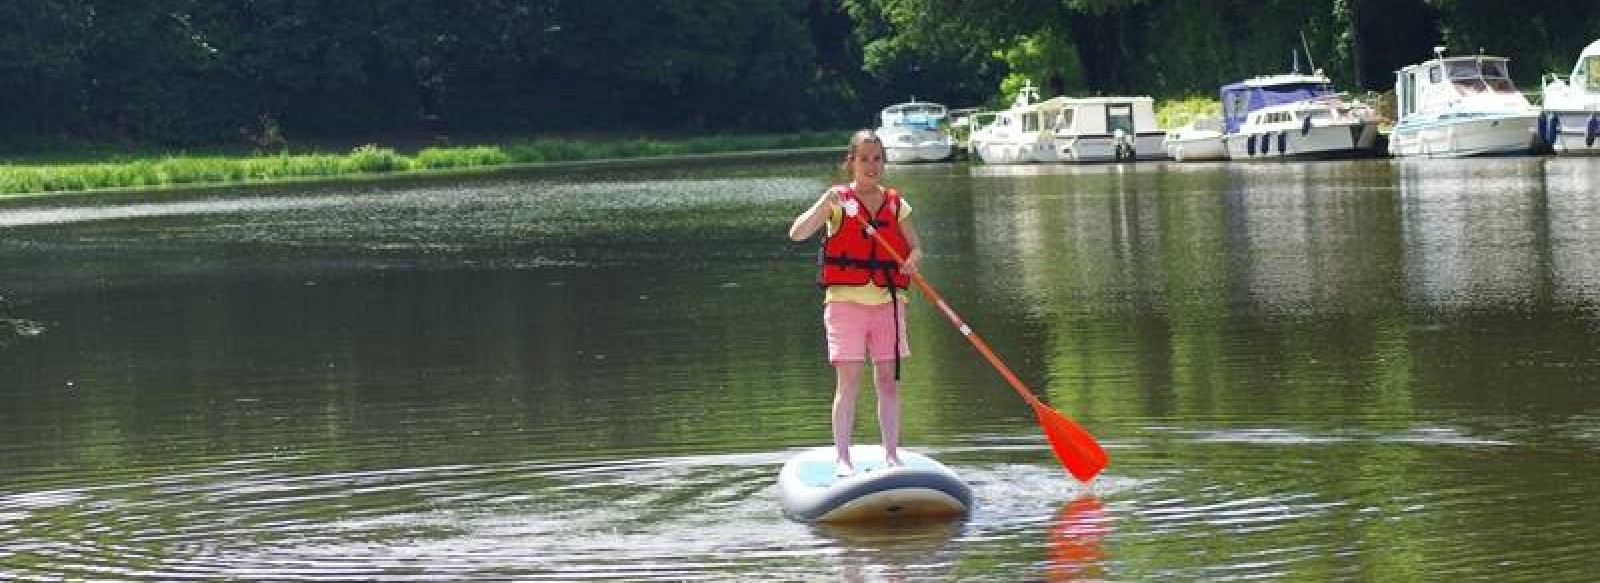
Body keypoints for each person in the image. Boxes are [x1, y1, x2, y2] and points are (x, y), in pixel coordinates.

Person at [788, 130, 922, 476]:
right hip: (845, 304)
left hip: (888, 303)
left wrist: (912, 260)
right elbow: (797, 233)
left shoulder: (896, 203)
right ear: (851, 161)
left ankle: (892, 456)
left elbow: (916, 247)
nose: (871, 165)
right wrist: (824, 202)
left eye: (877, 158)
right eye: (864, 158)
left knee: (887, 381)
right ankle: (843, 459)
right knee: (848, 380)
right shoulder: (837, 201)